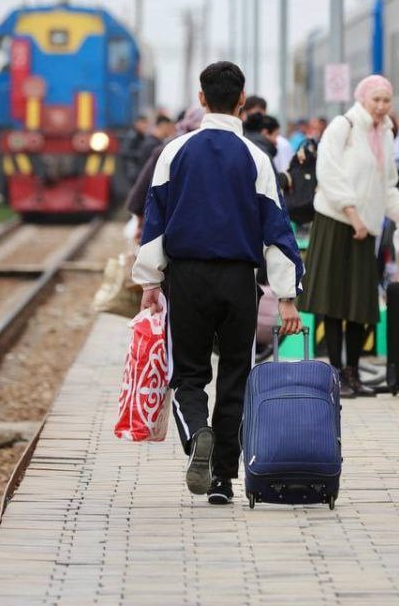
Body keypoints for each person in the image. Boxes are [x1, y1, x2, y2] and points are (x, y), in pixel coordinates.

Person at [133, 62, 304, 505]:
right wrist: (287, 297)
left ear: (201, 99)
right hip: (238, 279)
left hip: (186, 277)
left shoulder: (175, 151)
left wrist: (150, 280)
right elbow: (277, 232)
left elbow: (155, 222)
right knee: (235, 374)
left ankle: (197, 436)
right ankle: (223, 479)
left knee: (187, 374)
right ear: (243, 100)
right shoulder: (256, 157)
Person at [298, 75, 399, 398]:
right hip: (337, 221)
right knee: (334, 303)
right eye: (376, 100)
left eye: (386, 100)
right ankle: (336, 374)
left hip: (366, 228)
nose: (381, 106)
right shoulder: (343, 126)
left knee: (359, 304)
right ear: (362, 99)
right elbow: (329, 173)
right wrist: (352, 213)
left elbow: (387, 184)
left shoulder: (385, 133)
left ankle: (352, 373)